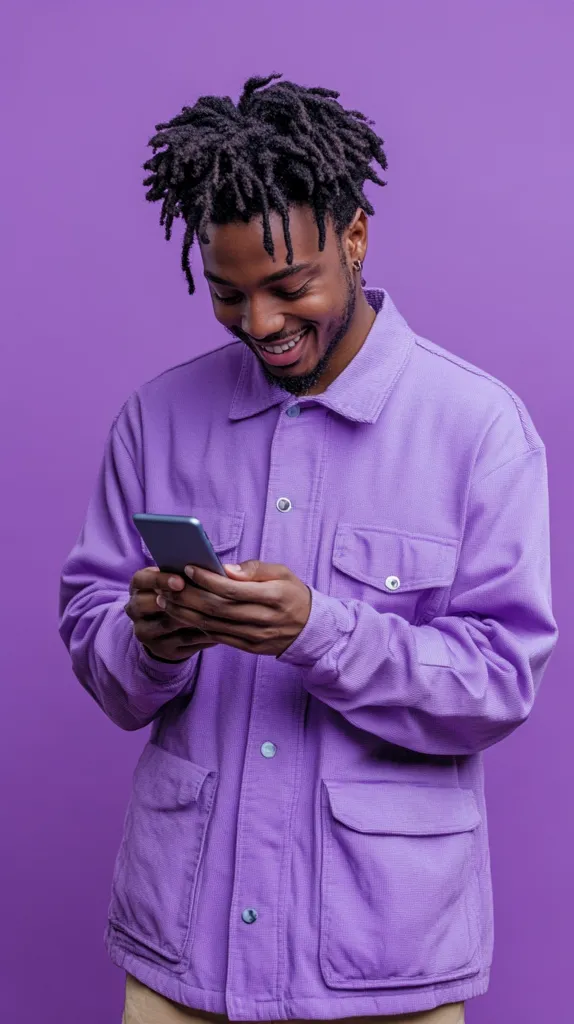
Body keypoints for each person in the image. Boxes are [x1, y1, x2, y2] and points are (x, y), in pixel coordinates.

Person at [59, 74, 558, 1024]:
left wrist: (318, 632)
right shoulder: (154, 422)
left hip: (385, 968)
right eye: (228, 294)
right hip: (182, 955)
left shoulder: (478, 428)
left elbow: (499, 685)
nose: (262, 324)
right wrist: (153, 640)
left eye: (291, 287)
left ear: (355, 237)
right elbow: (105, 663)